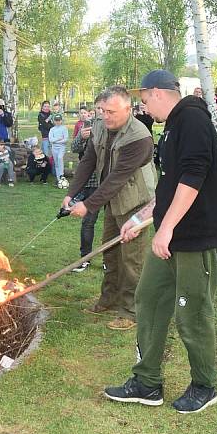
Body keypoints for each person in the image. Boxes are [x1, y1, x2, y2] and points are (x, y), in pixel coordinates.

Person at [104, 70, 217, 413]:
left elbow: (193, 177)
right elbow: (168, 189)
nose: (145, 109)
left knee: (193, 312)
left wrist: (167, 228)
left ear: (158, 93)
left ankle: (205, 385)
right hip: (169, 237)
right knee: (150, 297)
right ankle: (147, 382)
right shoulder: (171, 128)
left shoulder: (192, 119)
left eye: (144, 101)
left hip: (195, 238)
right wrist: (140, 219)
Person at [62, 85, 155, 330]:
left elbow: (118, 178)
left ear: (128, 108)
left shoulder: (140, 136)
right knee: (110, 251)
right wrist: (72, 193)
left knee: (131, 258)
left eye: (111, 111)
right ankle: (109, 298)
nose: (105, 116)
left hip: (135, 202)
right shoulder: (101, 126)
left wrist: (88, 205)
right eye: (101, 110)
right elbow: (89, 160)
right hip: (113, 200)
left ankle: (130, 310)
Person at [69, 96, 104, 271]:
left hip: (108, 181)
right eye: (96, 108)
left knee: (113, 223)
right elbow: (74, 148)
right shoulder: (86, 125)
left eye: (101, 108)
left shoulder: (110, 126)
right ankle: (85, 258)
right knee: (88, 222)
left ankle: (110, 260)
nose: (98, 112)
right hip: (90, 181)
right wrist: (82, 138)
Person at [49, 114, 69, 188]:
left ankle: (61, 175)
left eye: (59, 120)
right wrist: (58, 139)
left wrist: (56, 140)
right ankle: (58, 178)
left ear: (61, 121)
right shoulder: (52, 129)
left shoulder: (64, 128)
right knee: (56, 162)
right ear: (54, 121)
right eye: (56, 120)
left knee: (60, 158)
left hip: (61, 147)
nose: (58, 122)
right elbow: (51, 140)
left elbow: (65, 139)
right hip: (54, 148)